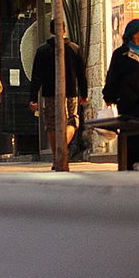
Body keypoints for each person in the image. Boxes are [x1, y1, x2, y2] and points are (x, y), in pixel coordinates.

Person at [29, 20, 88, 168]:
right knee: (72, 122)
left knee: (52, 125)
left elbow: (36, 76)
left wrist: (33, 98)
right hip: (70, 93)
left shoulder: (42, 50)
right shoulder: (74, 49)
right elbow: (81, 74)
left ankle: (57, 156)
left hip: (49, 93)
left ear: (51, 30)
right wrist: (84, 93)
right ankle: (61, 153)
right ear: (64, 30)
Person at [103, 18, 139, 170]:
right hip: (129, 102)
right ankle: (133, 161)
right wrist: (109, 96)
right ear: (134, 34)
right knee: (132, 132)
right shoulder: (121, 54)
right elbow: (113, 76)